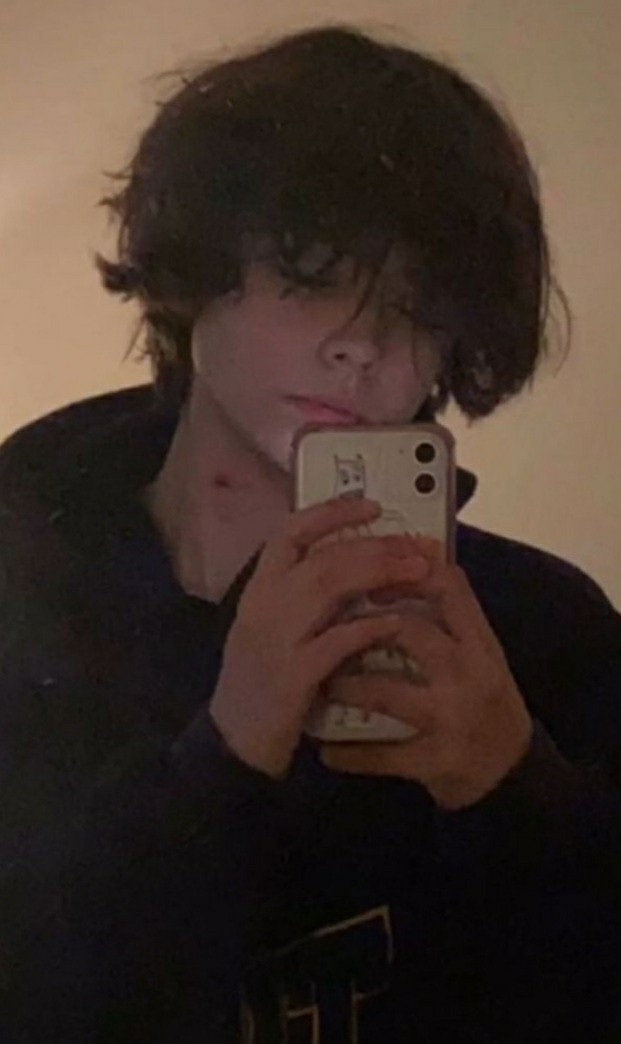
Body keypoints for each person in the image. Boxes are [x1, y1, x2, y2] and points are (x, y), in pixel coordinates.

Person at [1, 22, 620, 1043]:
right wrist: (224, 757)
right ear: (199, 271)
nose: (363, 346)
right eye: (315, 276)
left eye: (417, 309)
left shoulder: (541, 629)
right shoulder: (23, 606)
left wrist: (513, 790)